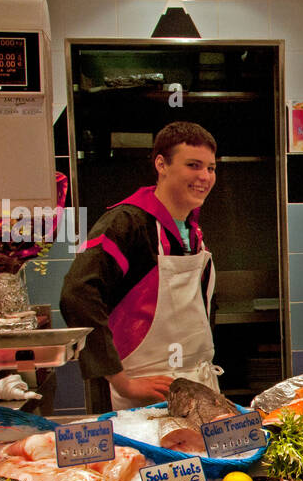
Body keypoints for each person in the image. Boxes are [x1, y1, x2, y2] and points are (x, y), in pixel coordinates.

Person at [61, 122, 220, 409]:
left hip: (197, 383)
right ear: (161, 164)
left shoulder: (191, 231)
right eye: (193, 165)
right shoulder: (126, 223)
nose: (204, 176)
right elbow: (78, 293)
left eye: (210, 168)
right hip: (144, 392)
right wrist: (122, 382)